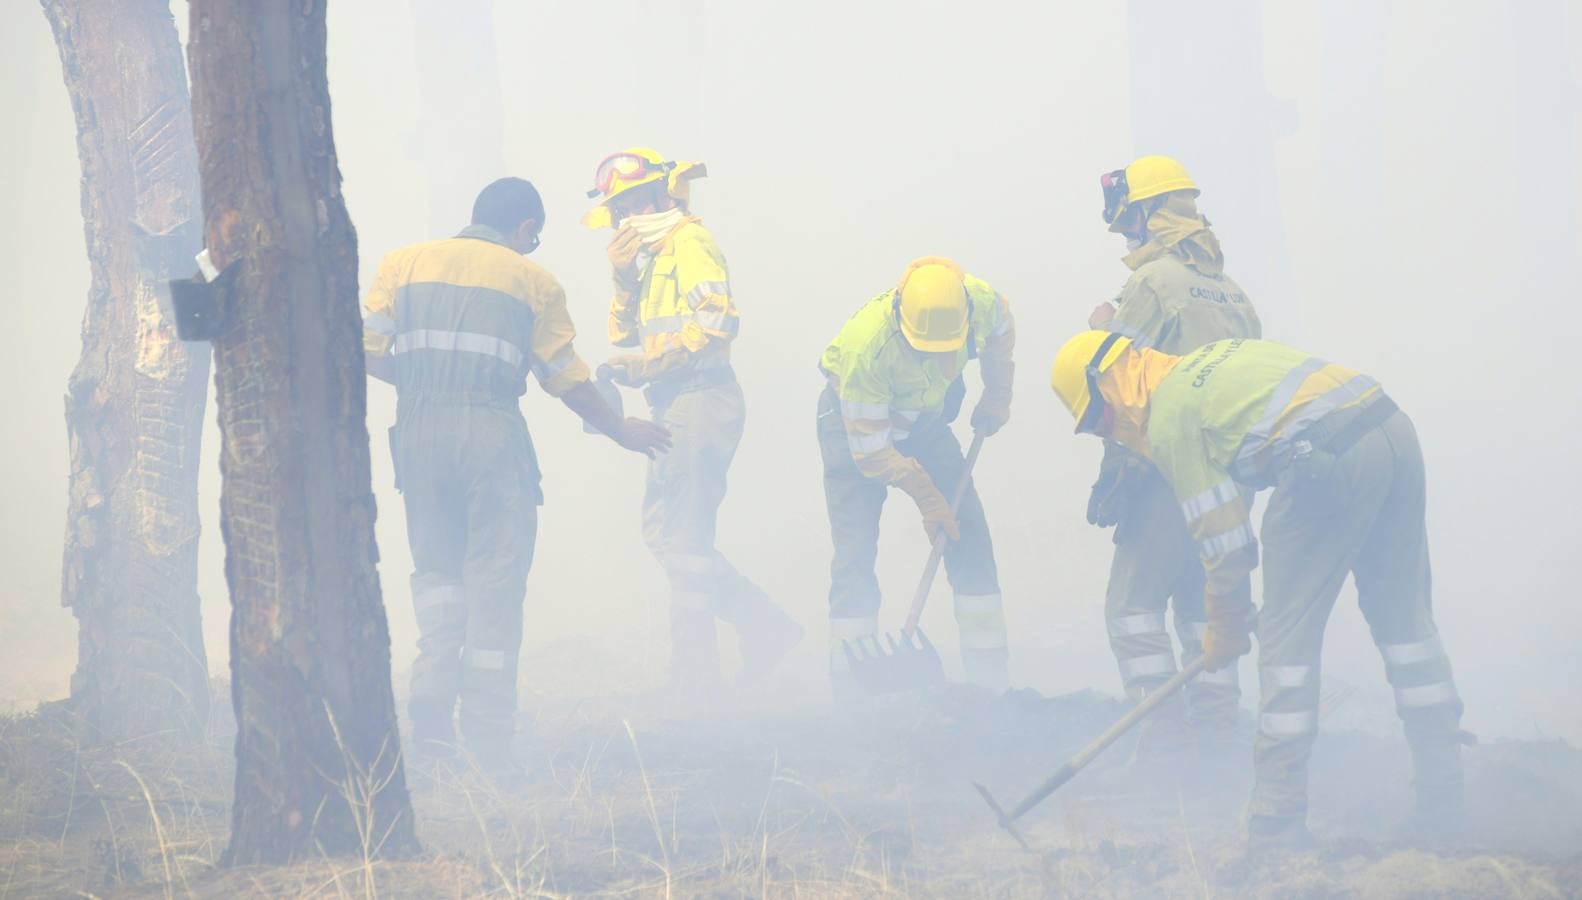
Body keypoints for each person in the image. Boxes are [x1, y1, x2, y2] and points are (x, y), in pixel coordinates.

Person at [1051, 331, 1467, 847]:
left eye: (1097, 419)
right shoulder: (1208, 358)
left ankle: (1277, 817)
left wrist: (1226, 621)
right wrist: (1229, 606)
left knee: (1286, 644)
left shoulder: (1171, 416)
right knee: (1407, 627)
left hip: (1323, 458)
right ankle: (1445, 796)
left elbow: (1224, 536)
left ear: (1108, 383)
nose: (1106, 432)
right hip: (1391, 430)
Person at [363, 177, 671, 768]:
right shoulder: (533, 281)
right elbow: (565, 378)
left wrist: (426, 383)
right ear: (525, 229)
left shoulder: (402, 264)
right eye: (534, 237)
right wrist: (618, 429)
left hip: (419, 437)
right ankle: (487, 739)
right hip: (491, 438)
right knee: (495, 582)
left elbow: (370, 350)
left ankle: (430, 705)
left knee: (437, 574)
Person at [584, 147, 802, 694]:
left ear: (663, 195)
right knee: (664, 533)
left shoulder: (689, 241)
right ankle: (764, 626)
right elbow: (623, 333)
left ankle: (694, 675)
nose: (627, 217)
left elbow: (716, 324)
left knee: (683, 539)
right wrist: (622, 277)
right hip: (674, 400)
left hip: (701, 398)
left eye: (635, 202)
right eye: (618, 210)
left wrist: (644, 367)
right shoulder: (655, 255)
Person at [1086, 156, 1262, 749]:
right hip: (1231, 478)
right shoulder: (1232, 292)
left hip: (1168, 470)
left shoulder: (1152, 282)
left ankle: (1157, 741)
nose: (1126, 236)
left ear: (1151, 214)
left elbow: (1115, 374)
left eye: (1129, 222)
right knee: (1199, 604)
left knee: (1132, 608)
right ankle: (1216, 733)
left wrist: (1100, 326)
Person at [819, 257, 1015, 695]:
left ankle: (990, 682)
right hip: (856, 428)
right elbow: (872, 453)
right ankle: (851, 691)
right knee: (855, 551)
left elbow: (1002, 329)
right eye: (927, 350)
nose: (939, 357)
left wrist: (998, 393)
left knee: (967, 530)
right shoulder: (866, 349)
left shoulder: (977, 302)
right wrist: (928, 499)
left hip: (925, 421)